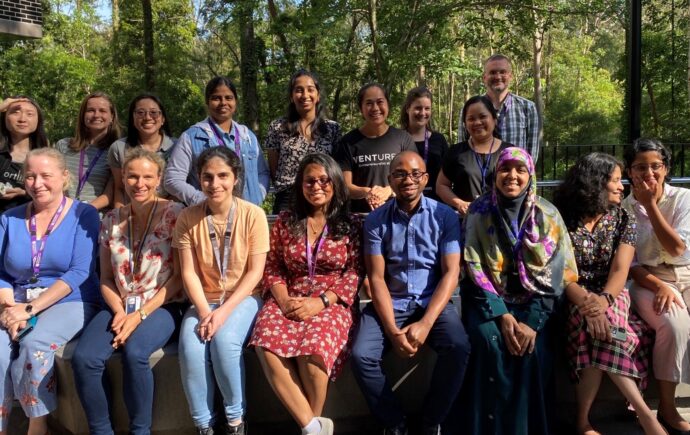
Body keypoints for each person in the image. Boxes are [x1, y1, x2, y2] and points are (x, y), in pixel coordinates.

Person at [459, 147, 577, 435]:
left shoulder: (547, 215)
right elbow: (473, 269)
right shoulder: (479, 212)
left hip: (537, 304)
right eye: (505, 169)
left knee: (533, 352)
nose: (511, 175)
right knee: (490, 344)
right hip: (488, 301)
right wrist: (501, 314)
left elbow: (556, 274)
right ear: (495, 174)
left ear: (530, 175)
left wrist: (532, 322)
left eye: (519, 170)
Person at [351, 151, 471, 435]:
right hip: (391, 301)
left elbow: (452, 272)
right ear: (390, 180)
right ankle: (394, 423)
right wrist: (393, 331)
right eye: (401, 174)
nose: (409, 179)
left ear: (426, 179)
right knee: (361, 355)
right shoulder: (375, 222)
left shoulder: (445, 217)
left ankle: (431, 421)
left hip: (432, 302)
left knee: (459, 346)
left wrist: (427, 322)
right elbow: (376, 278)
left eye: (416, 173)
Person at [71, 148, 186, 435]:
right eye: (132, 176)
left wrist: (141, 315)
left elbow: (180, 278)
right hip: (120, 304)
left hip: (163, 304)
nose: (139, 183)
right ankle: (102, 430)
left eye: (147, 176)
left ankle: (140, 430)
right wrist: (122, 312)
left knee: (136, 353)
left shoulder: (176, 214)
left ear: (159, 179)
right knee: (84, 358)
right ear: (122, 178)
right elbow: (106, 278)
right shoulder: (110, 220)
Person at [250, 153, 362, 435]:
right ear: (300, 185)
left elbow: (355, 272)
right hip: (288, 295)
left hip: (332, 300)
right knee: (266, 341)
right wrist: (284, 300)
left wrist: (321, 302)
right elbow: (273, 266)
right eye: (309, 180)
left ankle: (310, 425)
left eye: (324, 180)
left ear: (335, 183)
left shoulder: (351, 224)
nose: (317, 186)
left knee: (313, 349)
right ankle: (313, 427)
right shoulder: (287, 221)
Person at [553, 153, 664, 435]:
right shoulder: (559, 217)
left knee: (601, 328)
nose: (621, 187)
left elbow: (620, 270)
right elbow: (560, 271)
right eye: (615, 180)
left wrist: (601, 303)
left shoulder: (623, 218)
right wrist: (586, 304)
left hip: (610, 294)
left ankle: (583, 421)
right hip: (572, 294)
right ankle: (646, 415)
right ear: (595, 182)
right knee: (600, 328)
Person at [0, 147, 100, 435]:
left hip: (70, 299)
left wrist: (29, 310)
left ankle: (37, 424)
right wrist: (10, 309)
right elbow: (2, 272)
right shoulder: (10, 218)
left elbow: (80, 272)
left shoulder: (85, 214)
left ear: (64, 177)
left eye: (46, 175)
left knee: (34, 345)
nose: (37, 183)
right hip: (15, 302)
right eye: (30, 176)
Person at [173, 146, 269, 435]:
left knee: (224, 342)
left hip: (244, 299)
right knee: (190, 349)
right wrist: (204, 312)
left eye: (223, 176)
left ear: (236, 177)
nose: (215, 184)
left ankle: (235, 421)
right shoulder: (187, 218)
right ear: (199, 179)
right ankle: (204, 424)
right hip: (204, 301)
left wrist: (223, 312)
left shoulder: (253, 215)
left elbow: (255, 272)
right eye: (207, 177)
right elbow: (188, 272)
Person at [623, 138, 690, 434]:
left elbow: (678, 249)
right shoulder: (624, 208)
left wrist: (651, 206)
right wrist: (648, 205)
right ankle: (667, 405)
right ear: (629, 171)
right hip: (648, 279)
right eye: (640, 167)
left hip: (686, 272)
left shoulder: (683, 198)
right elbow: (631, 264)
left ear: (665, 168)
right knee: (674, 326)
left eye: (655, 166)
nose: (648, 173)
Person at [165, 76, 270, 207]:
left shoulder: (247, 136)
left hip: (247, 214)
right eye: (216, 98)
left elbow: (263, 173)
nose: (223, 103)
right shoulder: (191, 137)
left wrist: (258, 195)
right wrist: (201, 200)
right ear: (207, 102)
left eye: (228, 98)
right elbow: (173, 179)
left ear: (235, 101)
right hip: (207, 217)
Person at [265, 70, 341, 214]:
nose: (305, 95)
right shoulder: (277, 127)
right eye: (299, 90)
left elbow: (335, 168)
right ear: (291, 97)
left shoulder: (332, 128)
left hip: (321, 195)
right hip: (288, 198)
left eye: (310, 90)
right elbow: (274, 170)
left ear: (318, 95)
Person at [334, 83, 415, 213]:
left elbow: (414, 177)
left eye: (380, 102)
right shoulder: (347, 142)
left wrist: (389, 190)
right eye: (369, 103)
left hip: (399, 215)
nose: (375, 108)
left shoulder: (403, 139)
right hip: (361, 217)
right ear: (361, 108)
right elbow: (344, 186)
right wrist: (368, 192)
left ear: (388, 104)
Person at [456, 54, 541, 161]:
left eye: (502, 72)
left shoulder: (527, 108)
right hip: (478, 176)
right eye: (492, 72)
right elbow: (461, 150)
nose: (498, 77)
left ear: (510, 76)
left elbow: (531, 156)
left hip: (513, 176)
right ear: (484, 77)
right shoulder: (469, 109)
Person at [437, 95, 510, 216]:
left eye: (482, 117)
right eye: (471, 119)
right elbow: (441, 185)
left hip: (502, 220)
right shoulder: (456, 152)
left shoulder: (509, 152)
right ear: (465, 123)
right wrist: (459, 203)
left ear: (494, 119)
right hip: (466, 222)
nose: (477, 122)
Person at [54, 92, 121, 210]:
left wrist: (84, 210)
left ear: (112, 117)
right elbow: (54, 181)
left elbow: (111, 193)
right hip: (61, 212)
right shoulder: (63, 145)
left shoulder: (116, 151)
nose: (96, 115)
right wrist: (66, 209)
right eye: (90, 110)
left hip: (96, 216)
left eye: (102, 111)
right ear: (83, 115)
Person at [109, 93, 176, 208]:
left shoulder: (178, 146)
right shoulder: (118, 148)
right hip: (131, 213)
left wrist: (163, 213)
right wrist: (120, 216)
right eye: (140, 112)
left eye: (154, 112)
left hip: (167, 212)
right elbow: (119, 188)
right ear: (132, 118)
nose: (148, 117)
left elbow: (178, 188)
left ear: (163, 118)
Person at [0, 96, 49, 213]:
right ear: (4, 117)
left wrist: (25, 193)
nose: (22, 119)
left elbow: (55, 193)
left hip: (28, 224)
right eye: (15, 112)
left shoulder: (46, 157)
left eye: (30, 114)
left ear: (38, 120)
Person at [400, 87, 448, 201]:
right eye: (418, 108)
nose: (423, 113)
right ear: (408, 109)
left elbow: (447, 175)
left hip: (435, 204)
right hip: (405, 202)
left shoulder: (439, 140)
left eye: (427, 108)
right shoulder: (397, 139)